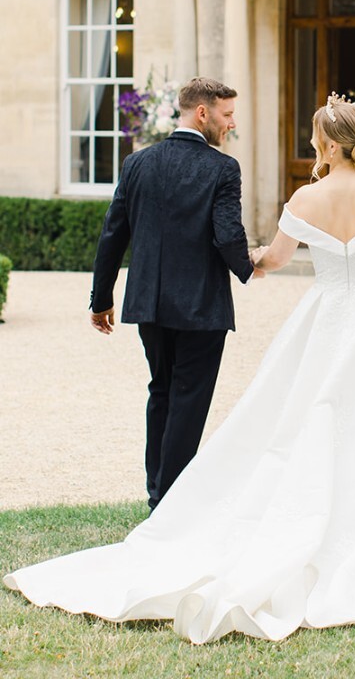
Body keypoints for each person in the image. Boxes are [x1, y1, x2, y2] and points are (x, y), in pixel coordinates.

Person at [4, 94, 355, 642]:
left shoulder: (304, 198)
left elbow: (272, 259)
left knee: (304, 411)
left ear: (328, 144)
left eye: (316, 138)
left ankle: (199, 498)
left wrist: (244, 262)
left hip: (325, 314)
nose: (313, 144)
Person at [88, 77, 258, 511]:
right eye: (227, 114)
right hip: (201, 307)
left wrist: (101, 298)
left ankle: (157, 494)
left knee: (161, 391)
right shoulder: (223, 168)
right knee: (188, 399)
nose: (231, 123)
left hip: (149, 304)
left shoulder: (137, 163)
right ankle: (170, 503)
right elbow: (227, 236)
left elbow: (112, 235)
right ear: (202, 113)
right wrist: (251, 265)